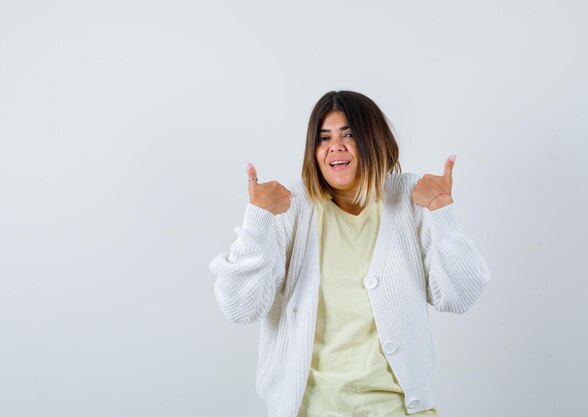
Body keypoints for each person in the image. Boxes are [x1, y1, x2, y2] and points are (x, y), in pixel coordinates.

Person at [210, 90, 491, 417]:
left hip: (398, 409)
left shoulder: (411, 201)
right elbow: (239, 307)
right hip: (310, 410)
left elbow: (459, 297)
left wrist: (443, 211)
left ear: (375, 141)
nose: (335, 146)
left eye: (349, 135)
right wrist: (257, 219)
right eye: (323, 138)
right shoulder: (290, 207)